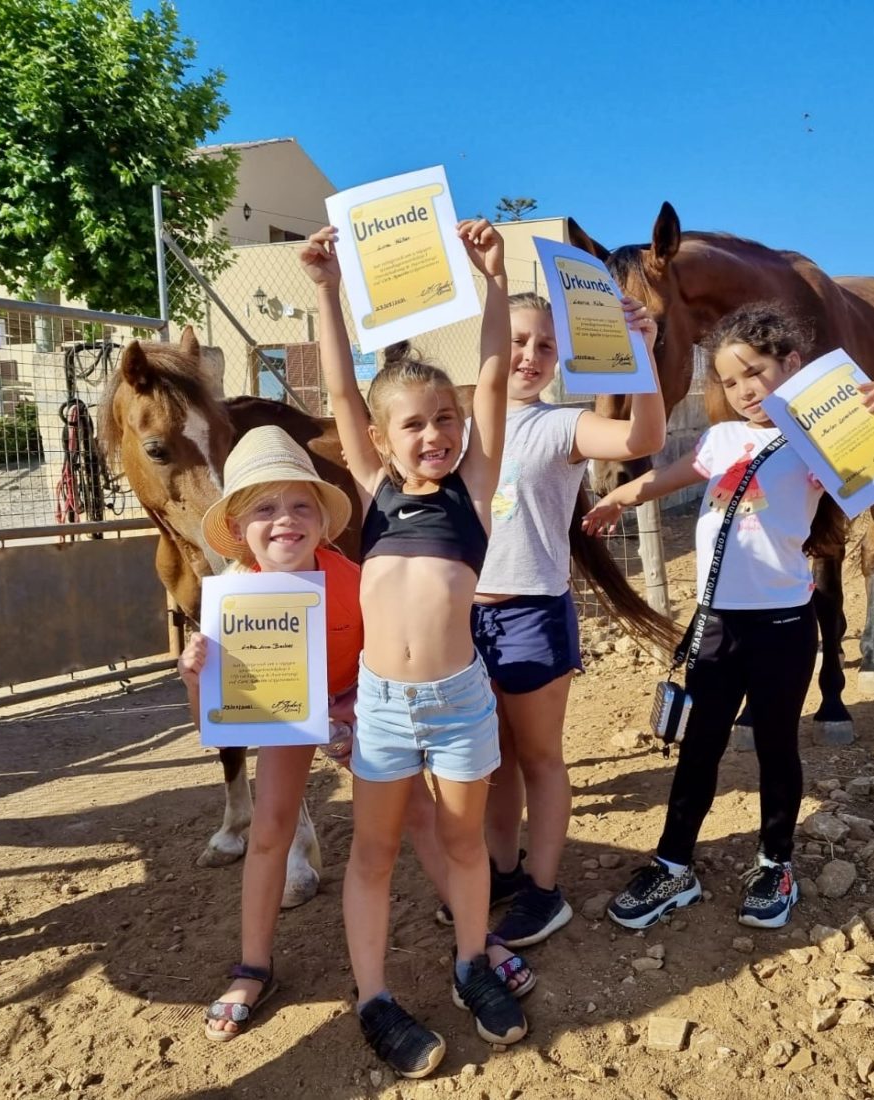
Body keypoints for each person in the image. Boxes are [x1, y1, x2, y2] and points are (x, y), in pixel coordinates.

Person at [581, 302, 874, 931]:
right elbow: (670, 476)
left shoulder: (821, 443)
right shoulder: (720, 438)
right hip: (716, 624)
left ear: (790, 365)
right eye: (730, 381)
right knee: (699, 748)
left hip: (785, 629)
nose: (744, 391)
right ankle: (673, 863)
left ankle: (774, 863)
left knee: (775, 747)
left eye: (755, 373)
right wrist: (619, 498)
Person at [300, 218, 523, 1079]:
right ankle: (375, 999)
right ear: (385, 441)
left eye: (444, 419)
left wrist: (493, 282)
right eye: (414, 426)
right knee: (375, 853)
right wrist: (326, 288)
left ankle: (472, 966)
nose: (432, 434)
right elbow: (344, 399)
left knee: (465, 850)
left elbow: (497, 374)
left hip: (462, 702)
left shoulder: (474, 484)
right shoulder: (377, 490)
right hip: (385, 708)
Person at [464, 291, 666, 948]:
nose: (527, 355)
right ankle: (501, 874)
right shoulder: (455, 422)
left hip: (530, 616)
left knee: (540, 758)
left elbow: (643, 438)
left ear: (558, 359)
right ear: (492, 341)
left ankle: (544, 892)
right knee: (491, 764)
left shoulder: (558, 426)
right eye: (517, 340)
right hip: (462, 621)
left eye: (544, 346)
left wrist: (641, 352)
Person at [178, 425, 359, 1042]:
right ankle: (254, 964)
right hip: (287, 718)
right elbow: (217, 714)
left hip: (355, 711)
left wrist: (355, 705)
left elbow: (387, 653)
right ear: (240, 525)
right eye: (265, 507)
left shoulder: (355, 581)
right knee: (268, 829)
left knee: (414, 813)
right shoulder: (234, 602)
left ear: (321, 517)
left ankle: (471, 938)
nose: (286, 520)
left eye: (301, 504)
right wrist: (194, 673)